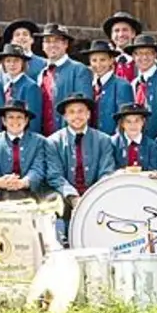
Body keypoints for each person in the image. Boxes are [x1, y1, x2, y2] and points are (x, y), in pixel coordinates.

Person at [44, 93, 115, 244]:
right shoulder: (53, 142)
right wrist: (73, 197)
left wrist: (91, 196)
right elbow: (55, 176)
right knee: (54, 205)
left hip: (95, 194)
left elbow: (106, 172)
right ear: (64, 117)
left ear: (88, 114)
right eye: (71, 112)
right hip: (66, 196)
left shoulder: (103, 140)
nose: (77, 116)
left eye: (81, 111)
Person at [0, 98, 54, 212]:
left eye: (19, 117)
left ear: (26, 121)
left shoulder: (39, 141)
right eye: (10, 117)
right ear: (4, 121)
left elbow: (38, 168)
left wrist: (23, 182)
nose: (15, 121)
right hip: (0, 194)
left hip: (31, 193)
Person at [36, 24, 92, 137]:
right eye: (47, 41)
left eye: (57, 41)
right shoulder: (42, 73)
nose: (52, 45)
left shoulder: (79, 70)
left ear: (65, 44)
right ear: (43, 46)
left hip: (69, 138)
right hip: (44, 138)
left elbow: (83, 108)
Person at [80, 39, 134, 135]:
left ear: (111, 60)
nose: (98, 64)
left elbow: (125, 121)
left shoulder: (122, 86)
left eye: (103, 60)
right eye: (94, 60)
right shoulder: (88, 85)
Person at [0, 43, 44, 134]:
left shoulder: (31, 87)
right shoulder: (5, 85)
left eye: (16, 60)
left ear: (23, 63)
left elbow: (34, 122)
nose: (12, 64)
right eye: (8, 61)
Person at [109, 103, 157, 175]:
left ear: (143, 122)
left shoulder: (152, 145)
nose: (133, 125)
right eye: (128, 121)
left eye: (137, 121)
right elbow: (109, 169)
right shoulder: (112, 143)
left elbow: (154, 169)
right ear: (122, 124)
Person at [101, 11, 143, 82]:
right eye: (116, 30)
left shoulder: (144, 61)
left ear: (133, 33)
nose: (121, 34)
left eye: (125, 30)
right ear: (111, 35)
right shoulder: (103, 62)